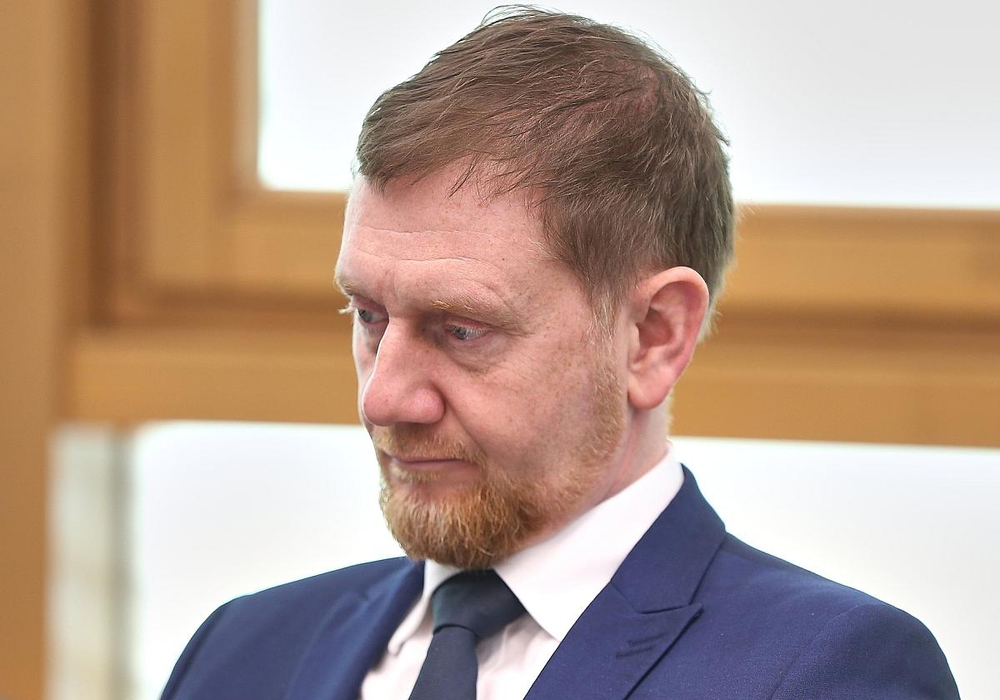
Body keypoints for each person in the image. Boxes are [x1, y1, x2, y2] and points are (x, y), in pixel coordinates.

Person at [162, 7, 959, 699]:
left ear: (654, 335)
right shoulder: (241, 654)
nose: (383, 399)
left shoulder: (822, 671)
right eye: (369, 317)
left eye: (461, 330)